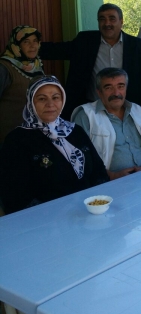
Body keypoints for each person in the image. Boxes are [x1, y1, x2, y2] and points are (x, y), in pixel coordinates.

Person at [40, 4, 141, 131]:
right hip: (90, 109)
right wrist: (28, 46)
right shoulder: (85, 41)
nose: (107, 23)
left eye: (112, 18)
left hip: (124, 111)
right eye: (102, 19)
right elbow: (56, 50)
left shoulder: (138, 47)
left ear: (121, 21)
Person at [0, 76, 109, 214]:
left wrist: (97, 202)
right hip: (48, 221)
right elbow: (15, 195)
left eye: (56, 97)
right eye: (42, 98)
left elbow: (98, 171)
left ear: (62, 100)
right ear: (31, 102)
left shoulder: (75, 131)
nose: (50, 104)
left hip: (88, 210)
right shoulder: (17, 140)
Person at [72, 68, 141, 180]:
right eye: (108, 87)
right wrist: (112, 175)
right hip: (107, 182)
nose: (116, 93)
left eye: (120, 86)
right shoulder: (85, 115)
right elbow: (80, 159)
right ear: (99, 92)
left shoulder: (136, 109)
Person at [0, 26, 45, 146]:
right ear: (16, 45)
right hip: (8, 139)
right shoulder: (5, 68)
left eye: (35, 41)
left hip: (34, 136)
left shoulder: (36, 65)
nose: (32, 46)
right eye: (26, 42)